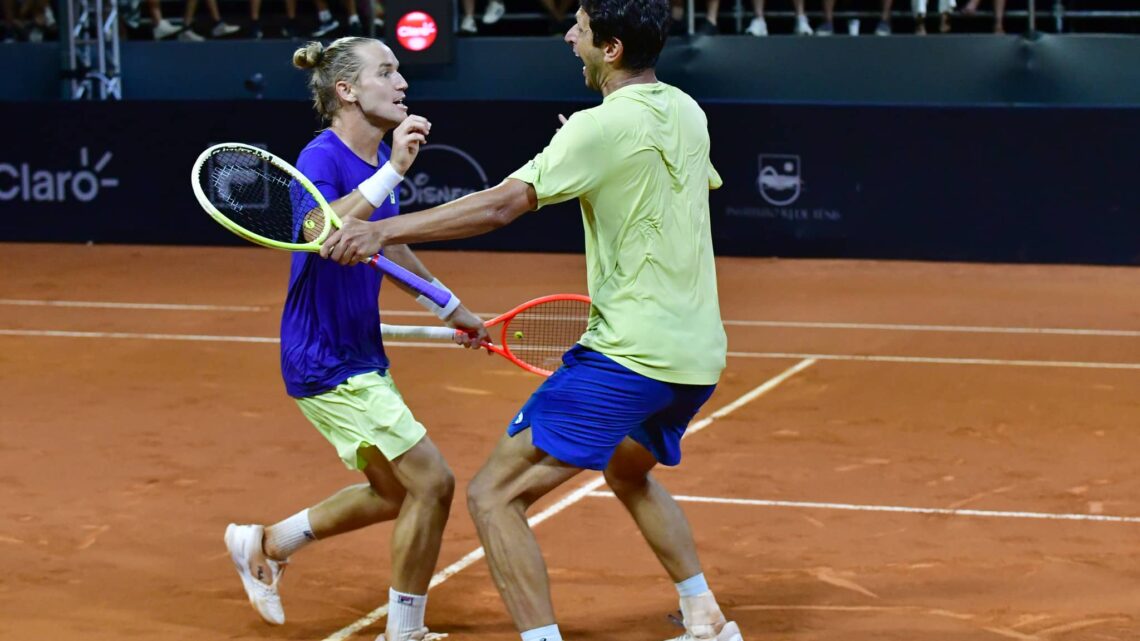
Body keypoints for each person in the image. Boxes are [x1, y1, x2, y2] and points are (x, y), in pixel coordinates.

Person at [319, 0, 743, 639]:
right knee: (627, 470)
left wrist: (379, 231)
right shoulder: (688, 110)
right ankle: (704, 615)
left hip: (632, 355)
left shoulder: (597, 129)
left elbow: (500, 207)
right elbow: (650, 167)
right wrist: (594, 139)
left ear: (612, 49)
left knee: (494, 496)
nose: (569, 37)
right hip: (698, 354)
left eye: (581, 29)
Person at [222, 36, 489, 641]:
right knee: (433, 483)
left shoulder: (375, 172)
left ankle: (266, 543)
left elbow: (389, 245)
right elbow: (323, 231)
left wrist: (453, 308)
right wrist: (395, 168)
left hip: (358, 351)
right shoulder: (321, 157)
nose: (402, 83)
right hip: (324, 357)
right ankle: (405, 631)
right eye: (386, 72)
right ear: (346, 90)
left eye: (400, 73)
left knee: (393, 492)